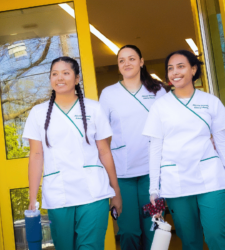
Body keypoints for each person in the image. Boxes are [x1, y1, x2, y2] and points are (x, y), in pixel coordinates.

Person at [23, 56, 122, 250]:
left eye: (66, 73)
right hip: (59, 194)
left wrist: (115, 190)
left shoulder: (94, 108)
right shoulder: (38, 113)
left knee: (90, 247)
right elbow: (36, 156)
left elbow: (104, 151)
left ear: (77, 79)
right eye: (55, 74)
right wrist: (32, 198)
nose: (60, 78)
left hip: (94, 192)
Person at [143, 50, 225, 250]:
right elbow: (155, 149)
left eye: (181, 66)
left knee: (216, 235)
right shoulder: (160, 106)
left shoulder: (210, 102)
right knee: (189, 240)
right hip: (175, 180)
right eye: (170, 68)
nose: (175, 72)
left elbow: (222, 141)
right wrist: (154, 189)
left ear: (193, 69)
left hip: (211, 177)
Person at [99, 45, 167, 250]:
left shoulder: (158, 91)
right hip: (122, 175)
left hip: (153, 175)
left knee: (152, 228)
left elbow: (168, 126)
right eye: (122, 60)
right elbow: (100, 136)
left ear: (141, 61)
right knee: (128, 231)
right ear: (118, 66)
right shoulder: (109, 94)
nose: (127, 63)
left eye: (132, 58)